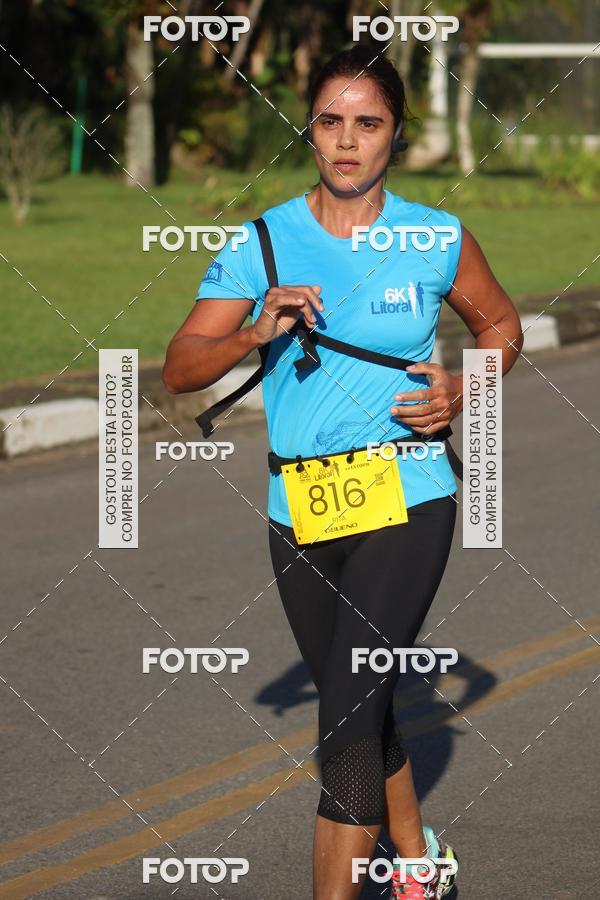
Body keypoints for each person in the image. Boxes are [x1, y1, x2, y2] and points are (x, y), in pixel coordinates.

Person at [163, 45, 523, 900]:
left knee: (347, 718)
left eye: (369, 124)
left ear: (396, 135)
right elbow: (180, 368)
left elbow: (502, 326)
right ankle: (420, 863)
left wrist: (462, 387)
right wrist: (254, 332)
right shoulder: (261, 242)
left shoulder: (436, 236)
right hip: (300, 505)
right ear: (310, 129)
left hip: (408, 492)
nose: (348, 141)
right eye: (331, 122)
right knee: (359, 700)